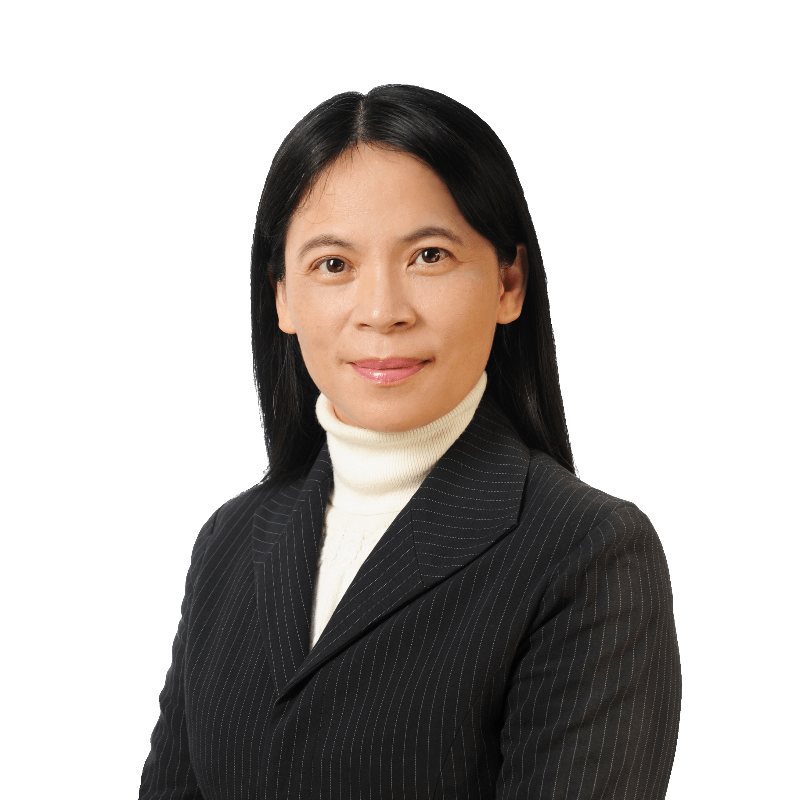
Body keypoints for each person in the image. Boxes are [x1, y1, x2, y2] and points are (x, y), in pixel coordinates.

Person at [139, 85, 681, 799]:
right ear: (282, 297)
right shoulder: (230, 539)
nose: (382, 312)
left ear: (509, 283)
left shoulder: (587, 552)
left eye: (428, 255)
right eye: (334, 265)